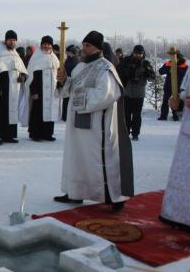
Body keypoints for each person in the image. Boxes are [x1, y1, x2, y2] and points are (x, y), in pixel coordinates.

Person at [54, 31, 133, 212]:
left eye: (88, 46)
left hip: (97, 125)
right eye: (83, 45)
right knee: (76, 158)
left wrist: (78, 98)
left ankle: (114, 197)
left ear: (97, 48)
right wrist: (63, 81)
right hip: (77, 124)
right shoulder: (80, 68)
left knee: (98, 159)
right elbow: (68, 91)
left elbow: (105, 95)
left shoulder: (105, 68)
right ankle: (75, 192)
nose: (84, 49)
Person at [159, 23, 190, 233]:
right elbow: (184, 90)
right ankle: (180, 214)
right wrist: (179, 102)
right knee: (187, 174)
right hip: (189, 130)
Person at [117, 45, 155, 140]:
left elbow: (153, 77)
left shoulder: (145, 63)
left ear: (143, 54)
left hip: (139, 94)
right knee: (126, 114)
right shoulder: (126, 61)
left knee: (137, 115)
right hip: (127, 92)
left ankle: (135, 134)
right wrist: (128, 73)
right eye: (136, 53)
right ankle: (125, 132)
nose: (138, 55)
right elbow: (119, 70)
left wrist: (146, 73)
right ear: (133, 52)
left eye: (140, 53)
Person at [27, 35, 60, 141]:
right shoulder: (36, 57)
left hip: (51, 91)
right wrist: (34, 91)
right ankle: (35, 134)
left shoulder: (54, 58)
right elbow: (31, 76)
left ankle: (47, 134)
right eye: (44, 44)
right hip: (39, 91)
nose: (46, 46)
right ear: (41, 45)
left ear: (51, 45)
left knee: (50, 111)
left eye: (48, 44)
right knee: (37, 113)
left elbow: (57, 74)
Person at [158, 52, 188, 121]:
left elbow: (187, 75)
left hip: (180, 87)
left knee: (178, 101)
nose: (174, 60)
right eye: (173, 58)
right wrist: (168, 69)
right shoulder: (168, 63)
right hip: (168, 86)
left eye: (176, 58)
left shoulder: (184, 66)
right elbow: (160, 71)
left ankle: (176, 115)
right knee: (165, 100)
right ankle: (163, 116)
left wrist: (176, 70)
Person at [61, 45, 80, 121]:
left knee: (70, 99)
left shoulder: (76, 60)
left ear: (72, 53)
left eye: (68, 52)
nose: (67, 53)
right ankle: (65, 115)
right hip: (67, 81)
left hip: (72, 82)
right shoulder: (69, 60)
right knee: (65, 99)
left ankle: (68, 115)